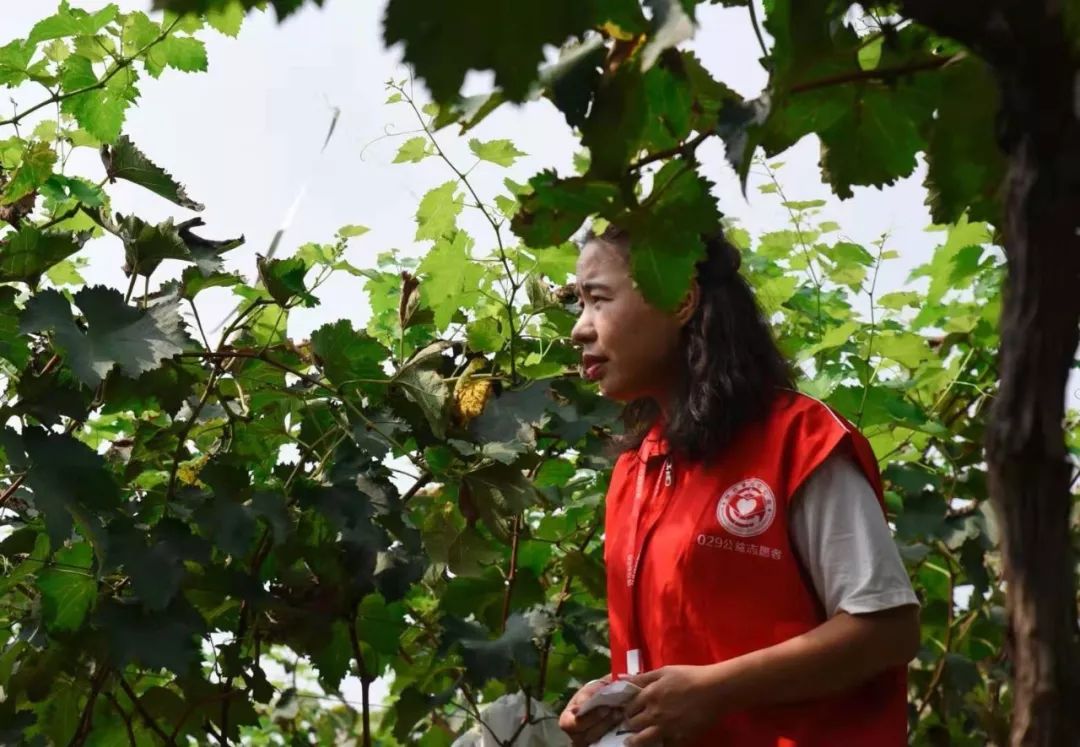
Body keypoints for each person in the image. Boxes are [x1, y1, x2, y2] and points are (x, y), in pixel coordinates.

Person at [557, 225, 920, 747]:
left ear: (680, 299)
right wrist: (616, 698)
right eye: (579, 304)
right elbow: (680, 663)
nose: (580, 329)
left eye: (598, 300)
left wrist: (714, 691)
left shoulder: (800, 440)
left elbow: (887, 628)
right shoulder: (634, 472)